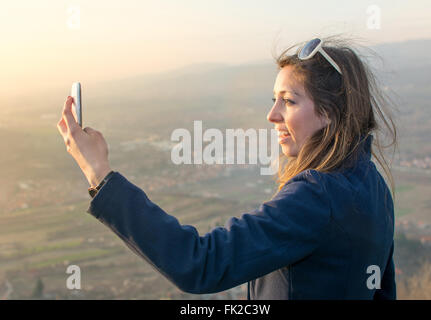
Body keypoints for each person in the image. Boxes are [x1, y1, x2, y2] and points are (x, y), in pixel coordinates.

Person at [56, 37, 397, 299]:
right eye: (273, 99)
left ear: (330, 113)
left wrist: (99, 174)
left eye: (289, 101)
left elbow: (200, 263)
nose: (272, 114)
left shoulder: (318, 197)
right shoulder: (373, 186)